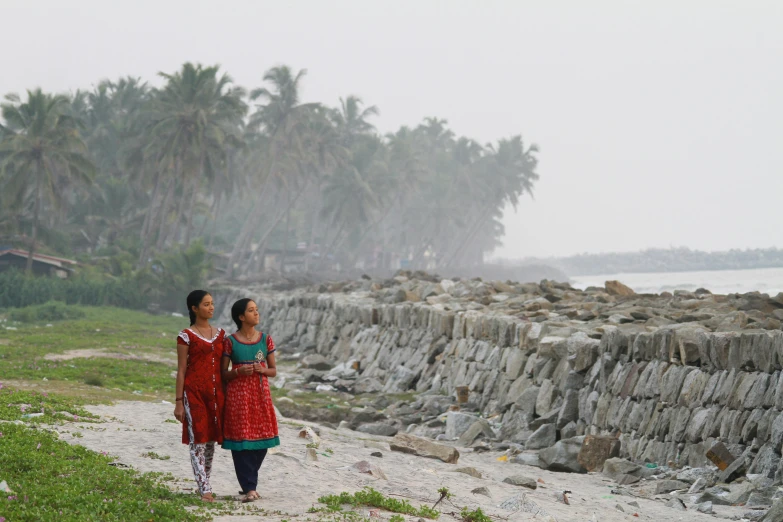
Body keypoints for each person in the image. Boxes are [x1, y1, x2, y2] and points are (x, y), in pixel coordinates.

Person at [221, 298, 280, 503]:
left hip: (260, 395)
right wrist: (237, 372)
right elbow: (223, 373)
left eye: (257, 310)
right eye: (251, 310)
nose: (256, 314)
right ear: (241, 317)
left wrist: (261, 369)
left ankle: (248, 480)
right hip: (238, 397)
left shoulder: (266, 339)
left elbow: (273, 370)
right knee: (242, 442)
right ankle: (250, 487)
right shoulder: (230, 341)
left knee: (262, 440)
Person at [174, 290, 226, 502]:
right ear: (194, 309)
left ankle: (205, 482)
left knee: (211, 439)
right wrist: (178, 402)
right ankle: (205, 488)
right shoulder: (186, 336)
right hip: (193, 393)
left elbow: (225, 368)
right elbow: (181, 370)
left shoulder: (222, 334)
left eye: (212, 303)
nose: (211, 307)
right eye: (206, 304)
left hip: (216, 395)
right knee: (198, 440)